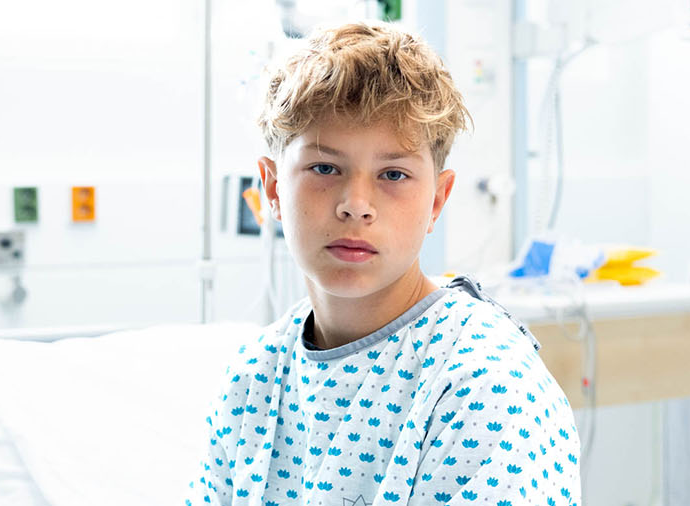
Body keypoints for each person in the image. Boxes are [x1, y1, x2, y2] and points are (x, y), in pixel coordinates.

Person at [185, 20, 581, 505]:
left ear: (437, 200)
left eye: (393, 174)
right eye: (325, 168)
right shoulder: (252, 383)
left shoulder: (485, 387)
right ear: (272, 188)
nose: (356, 204)